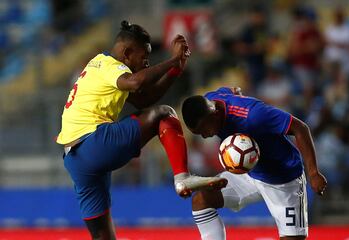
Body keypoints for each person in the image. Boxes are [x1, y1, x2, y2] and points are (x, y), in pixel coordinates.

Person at [56, 21, 227, 240]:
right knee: (164, 113)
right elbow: (137, 83)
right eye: (144, 56)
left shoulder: (101, 67)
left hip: (76, 159)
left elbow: (144, 98)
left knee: (102, 236)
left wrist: (175, 70)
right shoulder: (110, 66)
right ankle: (182, 177)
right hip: (93, 143)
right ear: (126, 53)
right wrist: (172, 59)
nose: (147, 62)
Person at [181, 87, 327, 240]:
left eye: (204, 130)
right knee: (201, 200)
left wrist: (313, 173)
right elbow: (231, 90)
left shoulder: (255, 115)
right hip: (248, 173)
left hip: (284, 180)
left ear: (214, 114)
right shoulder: (212, 99)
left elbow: (300, 128)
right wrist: (237, 92)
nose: (205, 136)